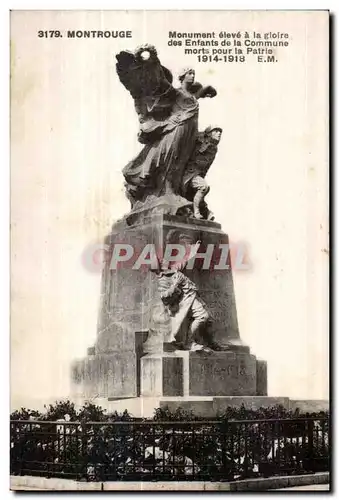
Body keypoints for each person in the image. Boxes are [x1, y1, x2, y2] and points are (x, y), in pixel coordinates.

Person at [116, 46, 217, 208]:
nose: (192, 76)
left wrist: (205, 90)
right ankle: (168, 193)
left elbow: (192, 98)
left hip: (189, 134)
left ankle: (176, 192)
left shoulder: (191, 95)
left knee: (182, 161)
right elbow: (160, 80)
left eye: (193, 74)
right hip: (176, 130)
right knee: (171, 161)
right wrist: (153, 57)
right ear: (183, 77)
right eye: (189, 73)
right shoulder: (175, 93)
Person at [182, 125, 223, 220]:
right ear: (209, 133)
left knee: (201, 194)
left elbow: (206, 167)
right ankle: (196, 212)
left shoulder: (213, 149)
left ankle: (206, 213)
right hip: (188, 174)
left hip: (197, 175)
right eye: (216, 131)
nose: (219, 133)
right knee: (204, 187)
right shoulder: (198, 140)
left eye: (220, 132)